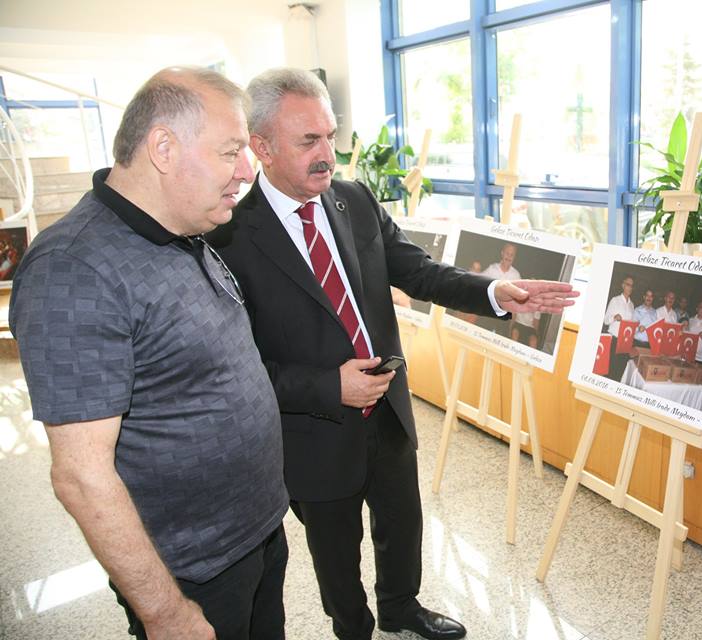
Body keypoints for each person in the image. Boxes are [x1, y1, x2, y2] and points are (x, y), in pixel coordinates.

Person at [206, 68, 577, 640]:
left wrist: (492, 293)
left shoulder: (352, 200)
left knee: (402, 522)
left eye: (330, 135)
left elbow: (418, 272)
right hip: (312, 428)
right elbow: (236, 366)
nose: (328, 153)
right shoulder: (227, 235)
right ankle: (352, 628)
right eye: (309, 141)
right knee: (335, 553)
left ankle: (402, 608)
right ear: (261, 148)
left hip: (388, 408)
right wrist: (330, 386)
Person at [9, 68, 289, 640]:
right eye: (232, 151)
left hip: (254, 534)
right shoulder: (73, 270)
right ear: (164, 148)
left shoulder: (185, 227)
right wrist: (165, 612)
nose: (247, 170)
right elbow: (81, 475)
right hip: (189, 570)